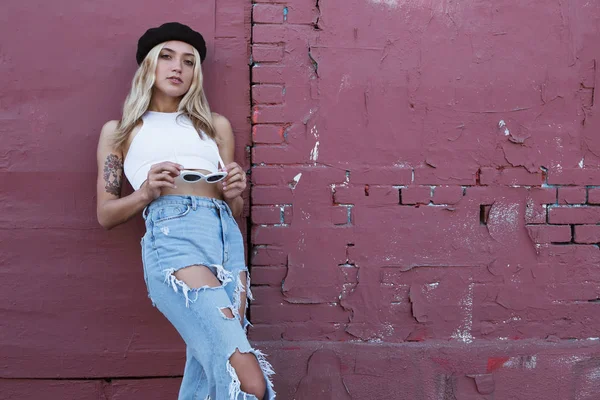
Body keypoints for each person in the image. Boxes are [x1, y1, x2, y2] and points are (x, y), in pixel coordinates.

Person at [95, 22, 275, 400]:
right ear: (148, 65)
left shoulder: (215, 127)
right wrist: (145, 192)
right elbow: (106, 214)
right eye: (167, 56)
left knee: (208, 367)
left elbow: (235, 207)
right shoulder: (121, 130)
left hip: (226, 241)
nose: (178, 67)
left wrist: (235, 190)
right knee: (246, 380)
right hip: (173, 240)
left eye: (189, 61)